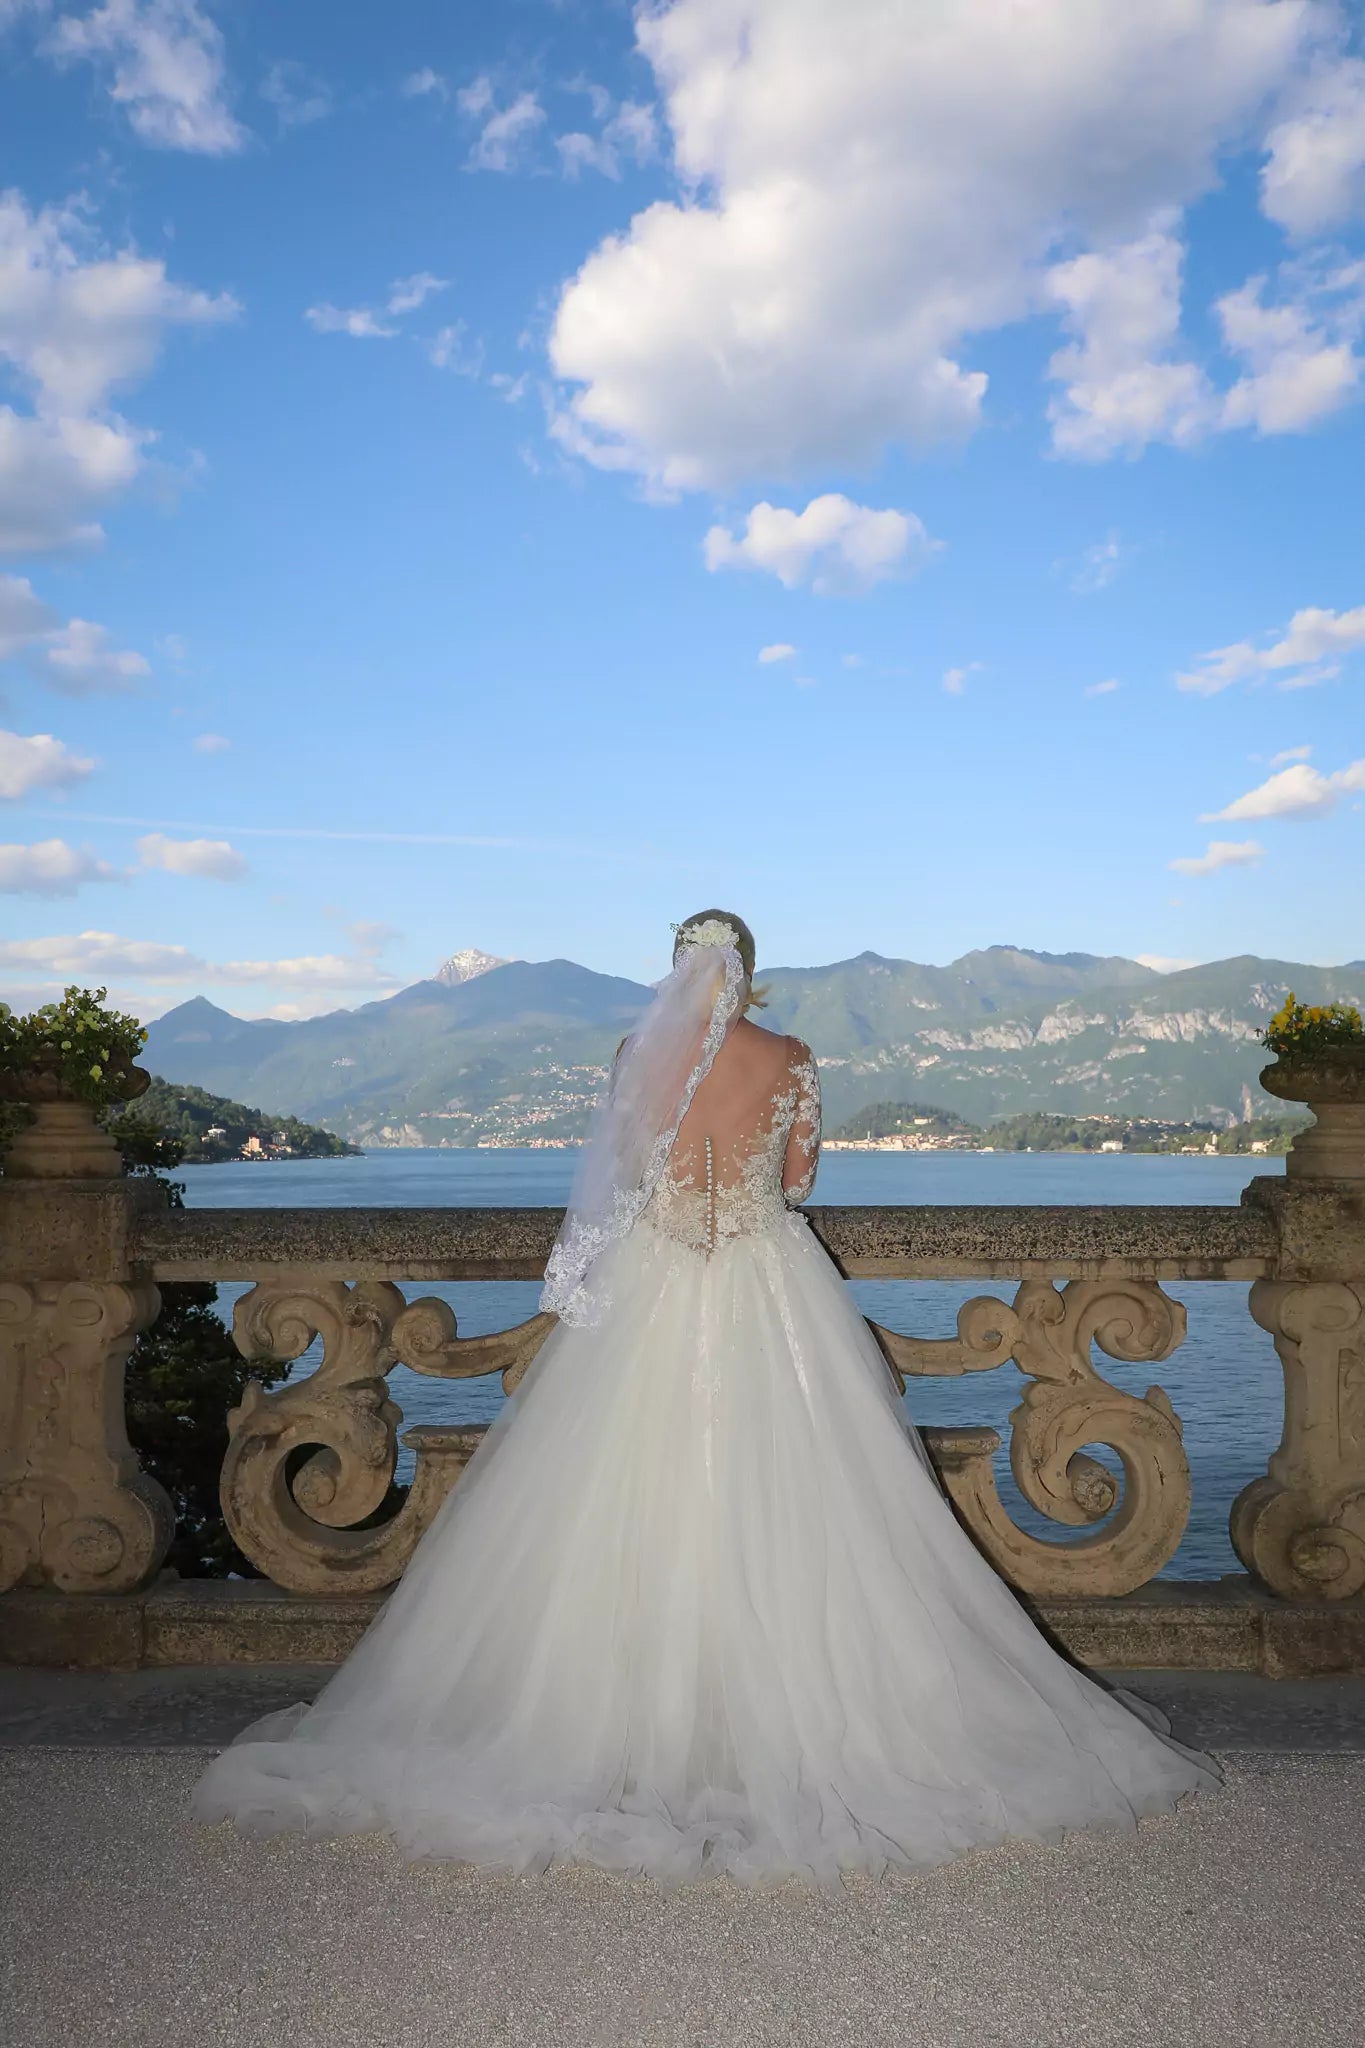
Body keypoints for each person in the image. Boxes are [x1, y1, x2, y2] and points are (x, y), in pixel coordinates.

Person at [193, 910, 1218, 1887]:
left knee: (621, 1492)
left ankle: (618, 1720)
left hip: (657, 1285)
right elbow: (801, 1178)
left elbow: (623, 1174)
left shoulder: (635, 1060)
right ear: (751, 968)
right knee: (811, 1493)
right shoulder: (794, 1057)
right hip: (771, 1283)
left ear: (674, 968)